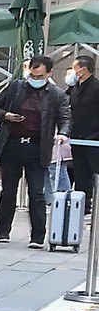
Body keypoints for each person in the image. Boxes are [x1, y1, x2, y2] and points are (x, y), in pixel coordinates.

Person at [0, 53, 70, 247]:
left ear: (49, 73)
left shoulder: (57, 94)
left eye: (40, 76)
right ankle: (3, 230)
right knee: (8, 191)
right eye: (33, 75)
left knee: (37, 193)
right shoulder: (16, 87)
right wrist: (4, 114)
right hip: (12, 145)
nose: (35, 79)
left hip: (37, 147)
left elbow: (65, 117)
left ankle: (37, 236)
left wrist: (63, 133)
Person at [65, 53, 99, 213]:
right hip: (76, 137)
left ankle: (91, 203)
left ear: (83, 70)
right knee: (79, 171)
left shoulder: (96, 87)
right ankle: (82, 204)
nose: (72, 72)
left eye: (74, 68)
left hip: (93, 138)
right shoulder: (75, 88)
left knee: (93, 171)